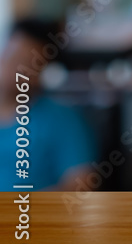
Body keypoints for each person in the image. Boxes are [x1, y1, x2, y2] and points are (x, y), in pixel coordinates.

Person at [0, 19, 96, 191]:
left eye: (25, 63)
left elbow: (81, 183)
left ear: (42, 72)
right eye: (10, 56)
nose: (12, 68)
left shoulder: (62, 118)